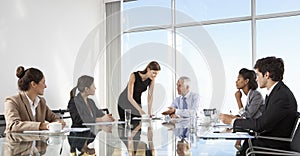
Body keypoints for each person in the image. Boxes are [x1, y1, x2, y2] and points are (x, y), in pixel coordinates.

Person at [219, 56, 298, 156]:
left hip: (274, 146)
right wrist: (237, 121)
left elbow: (260, 125)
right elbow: (262, 121)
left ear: (266, 75)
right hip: (268, 141)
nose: (256, 79)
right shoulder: (277, 92)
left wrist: (233, 121)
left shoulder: (281, 96)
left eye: (257, 74)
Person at [4, 66, 65, 133]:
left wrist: (59, 122)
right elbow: (13, 125)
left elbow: (54, 118)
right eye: (43, 82)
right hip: (18, 142)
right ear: (33, 84)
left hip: (36, 142)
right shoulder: (12, 101)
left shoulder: (41, 102)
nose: (45, 86)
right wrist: (43, 125)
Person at [233, 68, 265, 150]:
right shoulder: (251, 95)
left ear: (246, 81)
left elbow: (248, 116)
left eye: (239, 79)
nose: (236, 81)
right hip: (252, 133)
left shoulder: (256, 95)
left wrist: (238, 100)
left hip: (259, 136)